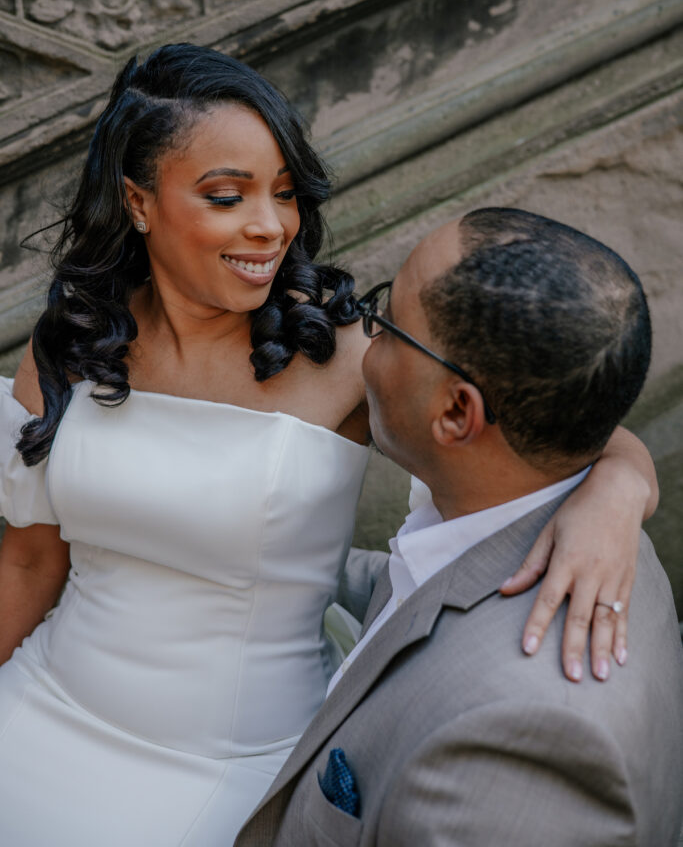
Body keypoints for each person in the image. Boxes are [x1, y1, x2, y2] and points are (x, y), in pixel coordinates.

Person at [0, 46, 658, 846]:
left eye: (284, 192)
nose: (270, 225)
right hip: (45, 707)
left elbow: (552, 417)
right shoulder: (72, 344)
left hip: (234, 768)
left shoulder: (341, 351)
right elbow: (29, 562)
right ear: (139, 202)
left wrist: (618, 490)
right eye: (225, 195)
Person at [236, 208, 683, 847]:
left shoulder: (516, 749)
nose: (366, 340)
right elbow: (418, 599)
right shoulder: (569, 515)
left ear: (455, 412)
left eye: (387, 324)